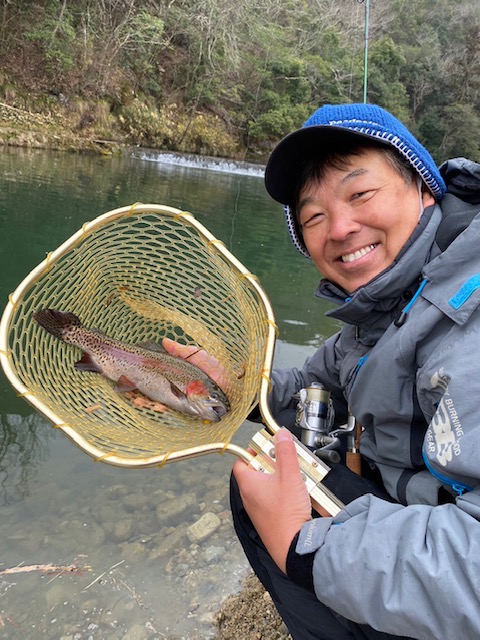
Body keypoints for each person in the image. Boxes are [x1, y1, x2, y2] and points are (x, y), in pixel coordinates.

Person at [227, 103, 480, 640]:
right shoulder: (376, 313)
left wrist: (306, 547)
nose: (340, 227)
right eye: (313, 217)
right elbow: (316, 388)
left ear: (424, 188)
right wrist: (234, 388)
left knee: (270, 506)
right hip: (411, 505)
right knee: (270, 462)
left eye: (360, 194)